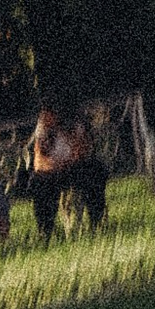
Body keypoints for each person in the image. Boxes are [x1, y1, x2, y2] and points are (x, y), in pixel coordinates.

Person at [28, 101, 108, 240]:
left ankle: (97, 221)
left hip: (74, 166)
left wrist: (72, 155)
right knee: (39, 183)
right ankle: (46, 231)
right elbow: (40, 160)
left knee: (95, 170)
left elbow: (83, 149)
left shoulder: (76, 123)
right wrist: (56, 165)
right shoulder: (44, 128)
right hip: (51, 170)